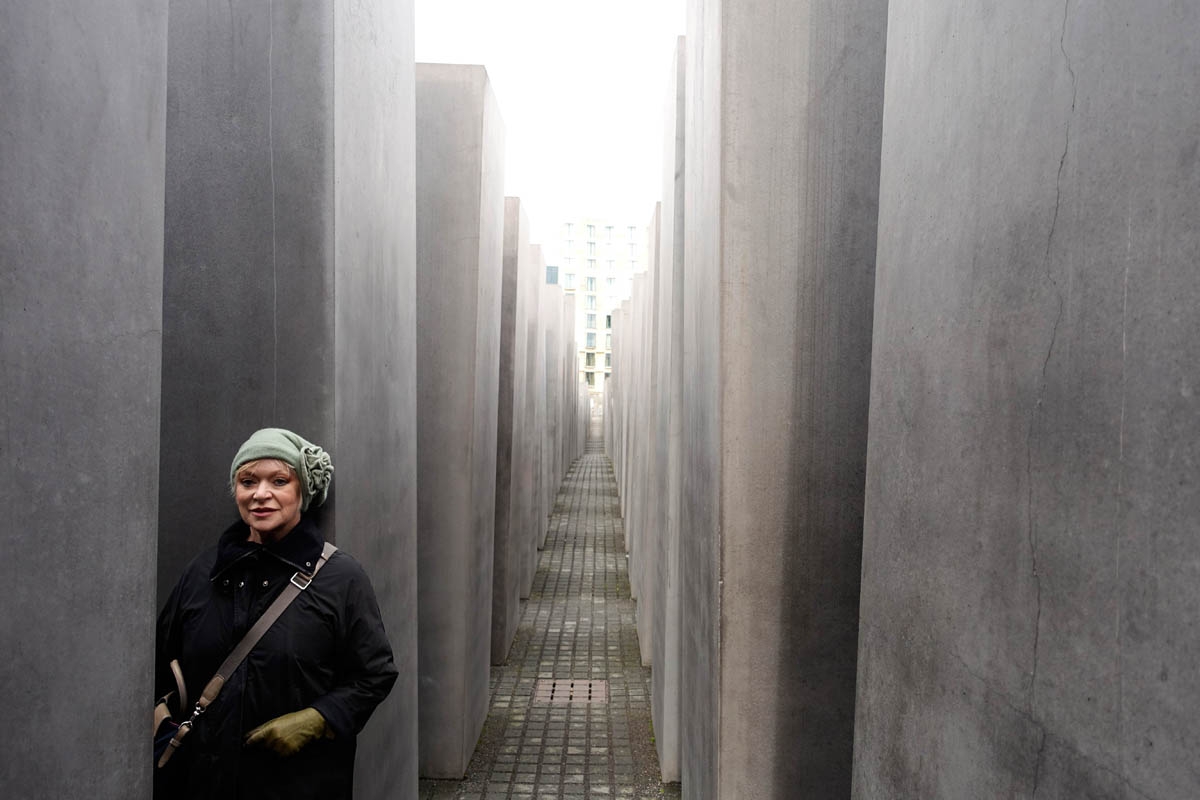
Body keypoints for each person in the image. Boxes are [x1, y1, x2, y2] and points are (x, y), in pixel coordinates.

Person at [155, 428, 397, 799]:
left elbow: (375, 673)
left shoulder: (341, 578)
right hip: (201, 781)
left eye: (279, 480)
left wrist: (318, 719)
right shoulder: (202, 572)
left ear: (302, 492)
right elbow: (157, 661)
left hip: (299, 783)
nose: (260, 494)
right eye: (247, 481)